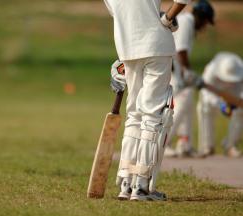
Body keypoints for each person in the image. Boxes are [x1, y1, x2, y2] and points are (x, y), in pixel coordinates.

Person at [104, 0, 189, 201]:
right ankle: (142, 186)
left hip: (128, 50)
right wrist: (167, 17)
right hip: (156, 46)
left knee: (134, 114)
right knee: (152, 115)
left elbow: (122, 13)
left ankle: (126, 183)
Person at [165, 0, 215, 157]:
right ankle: (163, 143)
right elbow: (181, 51)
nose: (205, 26)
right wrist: (189, 72)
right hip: (172, 67)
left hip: (175, 67)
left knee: (188, 102)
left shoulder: (188, 23)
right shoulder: (187, 21)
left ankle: (184, 144)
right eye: (206, 21)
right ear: (200, 16)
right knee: (180, 104)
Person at [197, 52, 243, 158]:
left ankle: (230, 145)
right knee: (205, 108)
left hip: (234, 93)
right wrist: (220, 104)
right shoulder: (210, 70)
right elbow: (205, 92)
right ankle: (207, 146)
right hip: (214, 95)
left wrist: (237, 102)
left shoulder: (241, 70)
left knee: (240, 112)